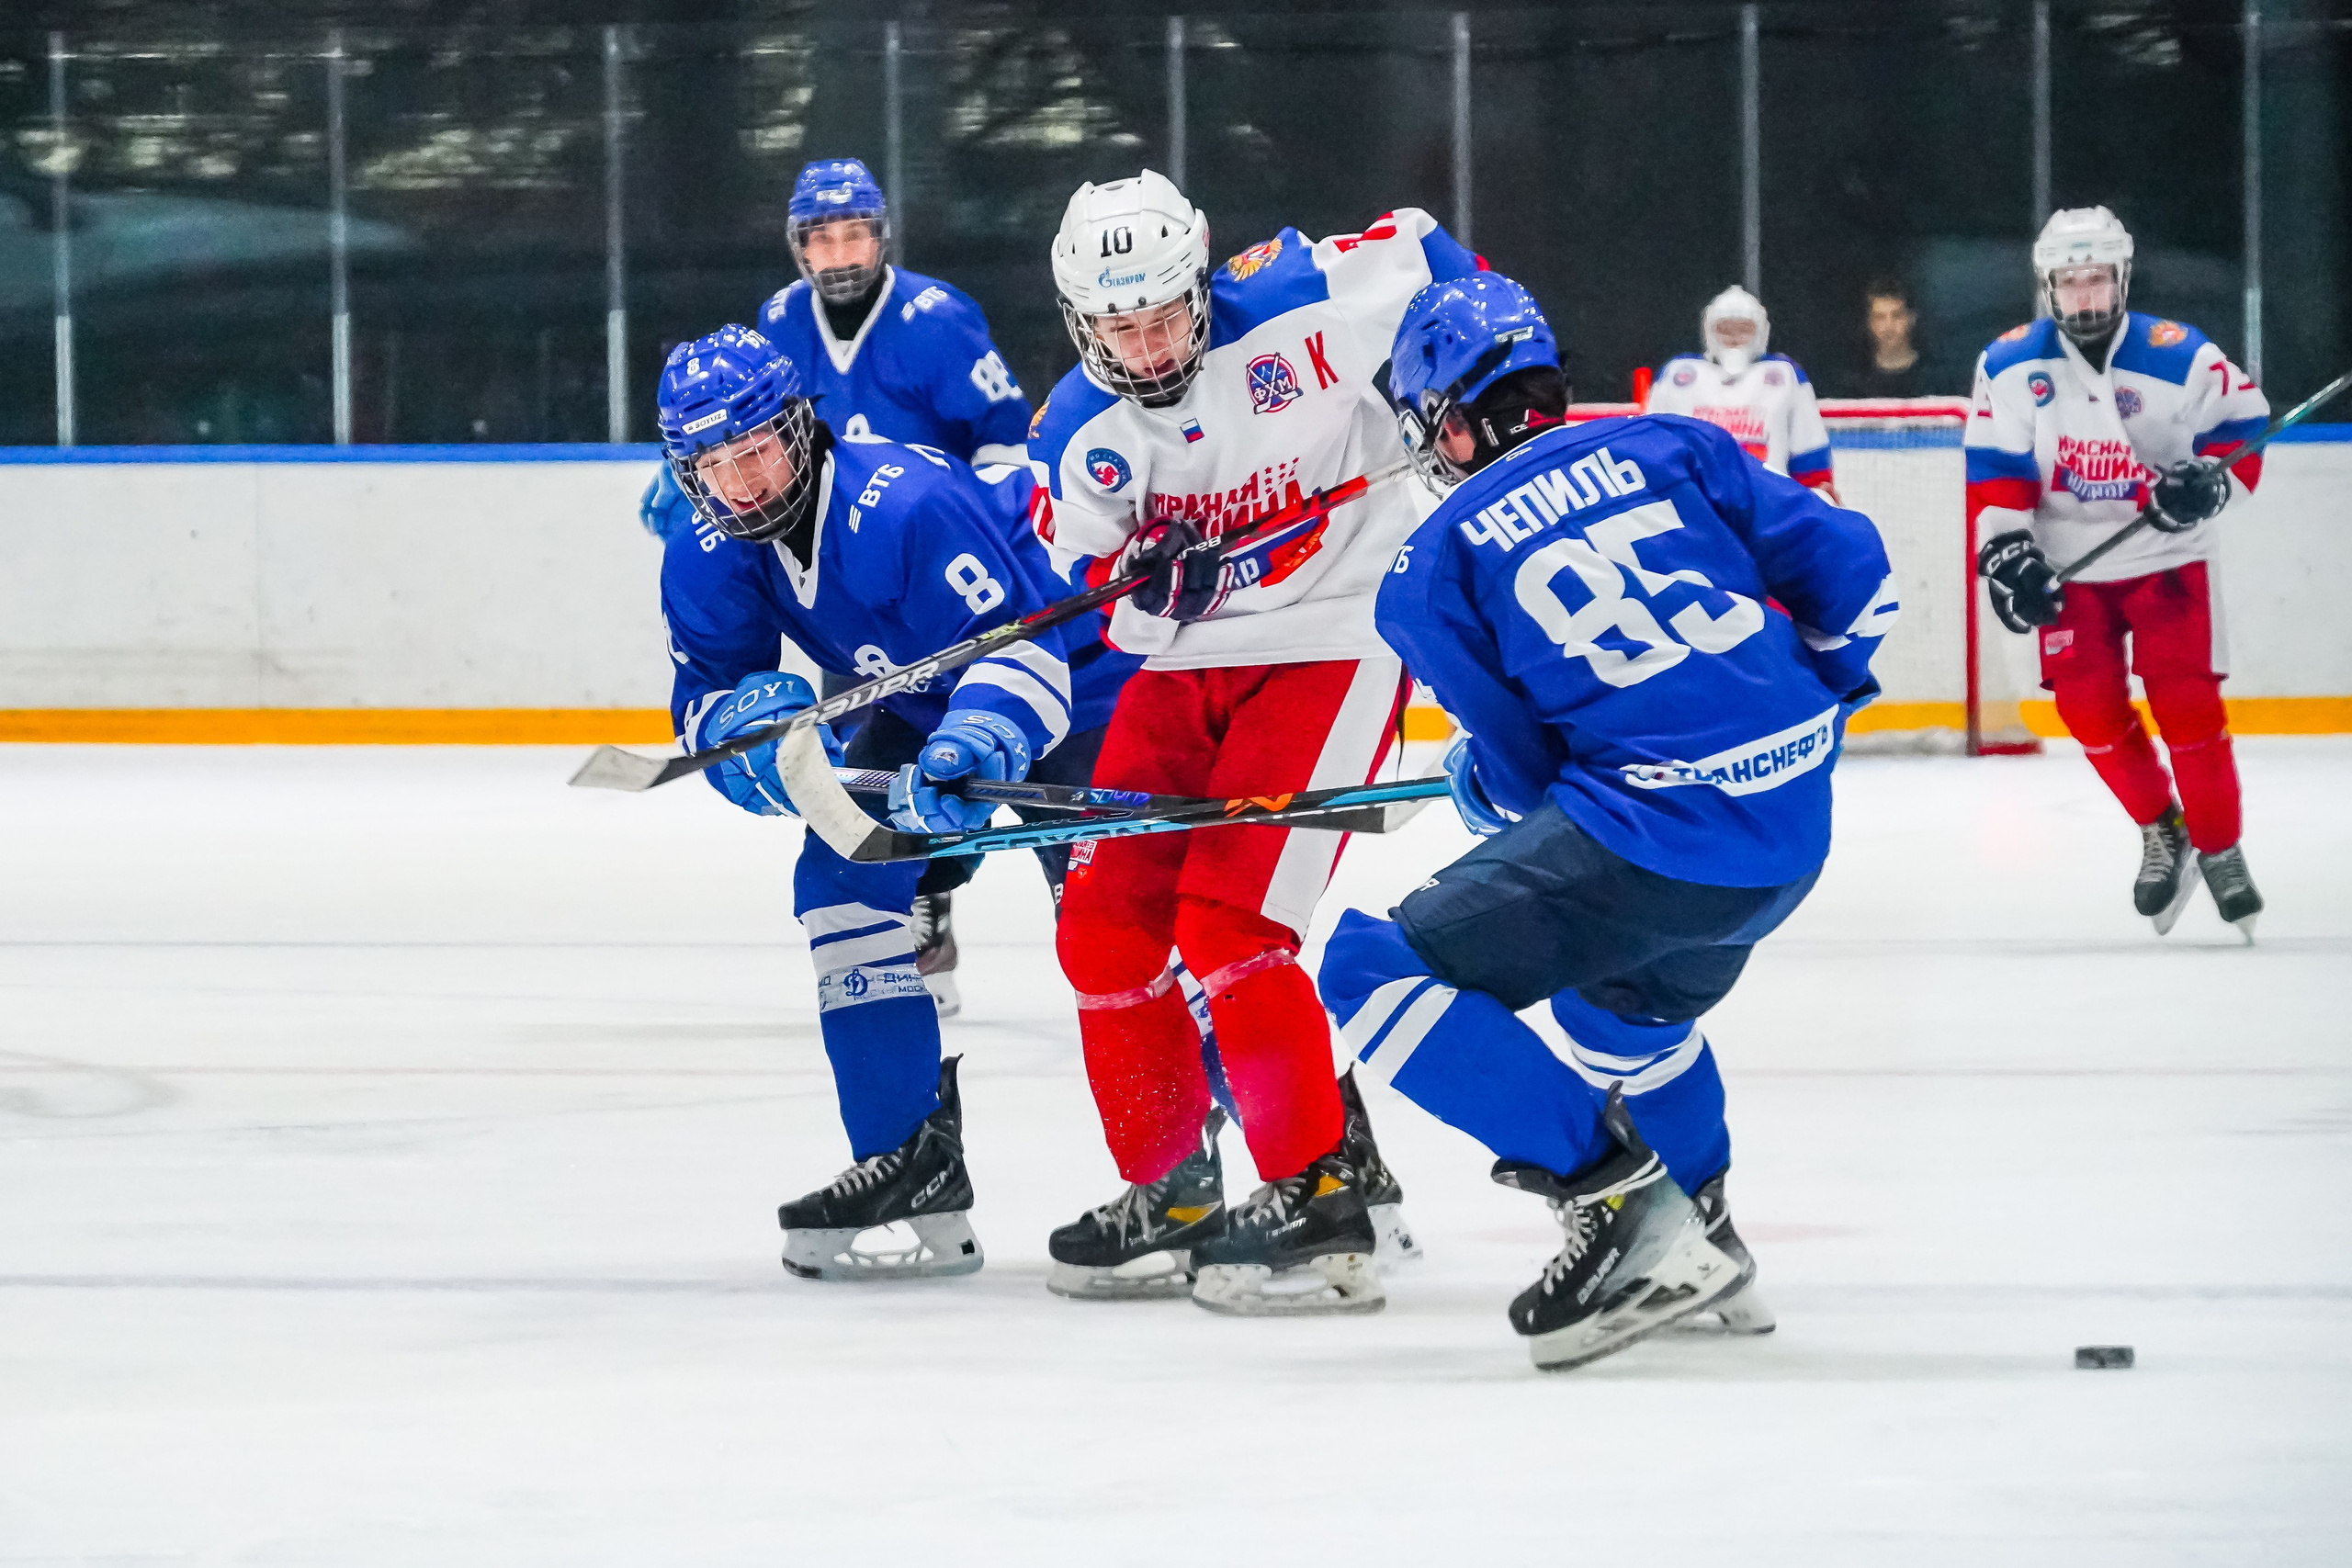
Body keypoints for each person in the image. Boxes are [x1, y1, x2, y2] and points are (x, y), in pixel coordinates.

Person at [1317, 272, 1898, 1370]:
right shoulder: (1674, 445)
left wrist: (1484, 786)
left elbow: (1532, 783)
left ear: (1445, 418)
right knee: (1617, 1019)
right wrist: (1807, 700)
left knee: (1366, 968)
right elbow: (1857, 576)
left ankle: (1625, 1215)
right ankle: (1708, 1230)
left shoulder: (1429, 567)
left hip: (1658, 842)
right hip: (1790, 823)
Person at [1028, 172, 1480, 1315]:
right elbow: (1099, 594)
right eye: (1118, 327)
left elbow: (1436, 261)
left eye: (1166, 315)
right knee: (1102, 927)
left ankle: (1320, 1196)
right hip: (1190, 664)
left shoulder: (1294, 298)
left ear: (1199, 282)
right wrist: (1149, 588)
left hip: (1341, 631)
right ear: (1082, 322)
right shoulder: (1077, 431)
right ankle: (1173, 1187)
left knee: (1231, 920)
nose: (1147, 345)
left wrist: (1465, 393)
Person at [655, 322, 1127, 1281]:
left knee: (1115, 929)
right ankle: (907, 1158)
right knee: (842, 883)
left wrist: (980, 738)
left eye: (755, 450)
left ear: (801, 428)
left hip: (1088, 675)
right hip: (920, 698)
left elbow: (1022, 647)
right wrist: (738, 731)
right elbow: (704, 689)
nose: (741, 483)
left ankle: (1314, 1157)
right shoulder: (706, 545)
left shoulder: (902, 503)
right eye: (714, 464)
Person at [641, 158, 1043, 1013]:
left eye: (853, 232)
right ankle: (922, 903)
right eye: (820, 236)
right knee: (872, 768)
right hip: (836, 580)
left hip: (939, 561)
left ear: (881, 234)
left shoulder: (938, 319)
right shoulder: (777, 322)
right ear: (797, 246)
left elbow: (1007, 442)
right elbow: (738, 425)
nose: (838, 251)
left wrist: (975, 513)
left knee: (995, 735)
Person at [1968, 207, 2269, 941]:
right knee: (2088, 712)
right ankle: (2163, 826)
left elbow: (2244, 426)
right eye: (2070, 283)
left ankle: (2221, 845)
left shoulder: (2180, 354)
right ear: (2049, 286)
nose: (2085, 297)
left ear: (2122, 276)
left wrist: (2208, 481)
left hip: (2168, 559)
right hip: (2071, 566)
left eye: (2097, 278)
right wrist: (2008, 554)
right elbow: (1998, 473)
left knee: (2188, 707)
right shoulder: (2009, 365)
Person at [1645, 285, 1838, 499]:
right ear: (1708, 331)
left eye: (1744, 329)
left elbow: (1809, 451)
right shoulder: (1677, 375)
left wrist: (1815, 499)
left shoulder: (1785, 375)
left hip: (1768, 504)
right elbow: (1651, 449)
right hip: (1697, 505)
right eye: (1725, 330)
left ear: (1761, 331)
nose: (1734, 338)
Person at [1842, 276, 1943, 399]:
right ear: (1870, 322)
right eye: (1879, 317)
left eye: (1897, 315)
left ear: (1911, 318)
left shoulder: (1936, 377)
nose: (1888, 326)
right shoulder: (1854, 381)